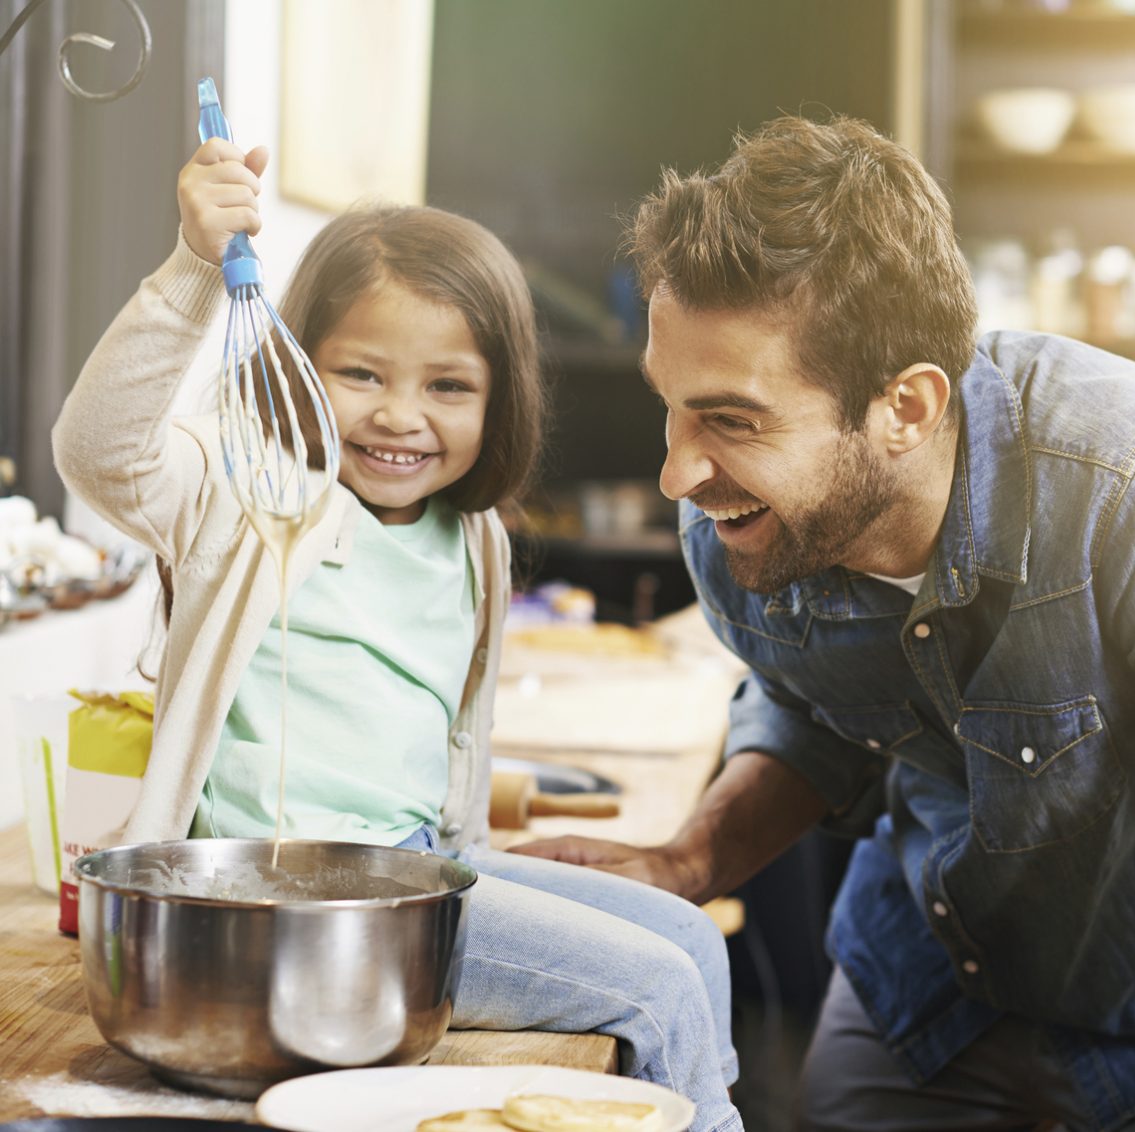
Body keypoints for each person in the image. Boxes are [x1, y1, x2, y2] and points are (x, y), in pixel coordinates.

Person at [514, 115, 1135, 1131]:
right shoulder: (737, 527)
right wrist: (690, 859)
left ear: (905, 408)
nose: (678, 474)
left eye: (731, 419)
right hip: (920, 986)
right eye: (672, 406)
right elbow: (810, 705)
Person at [52, 136, 742, 1132]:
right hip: (288, 901)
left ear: (499, 395)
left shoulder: (474, 542)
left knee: (695, 943)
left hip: (418, 876)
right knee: (657, 989)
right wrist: (194, 269)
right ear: (296, 364)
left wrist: (472, 855)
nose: (401, 417)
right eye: (361, 373)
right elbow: (98, 449)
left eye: (448, 386)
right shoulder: (249, 502)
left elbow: (452, 749)